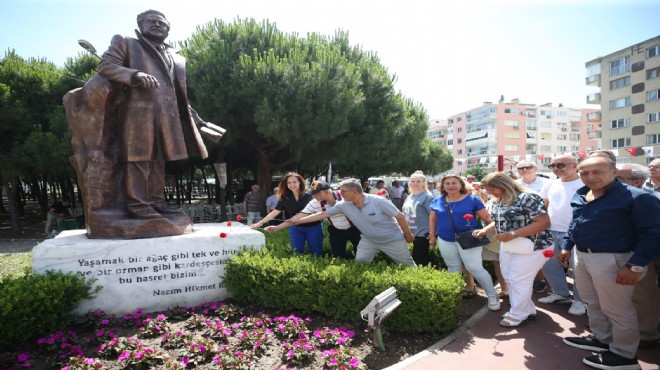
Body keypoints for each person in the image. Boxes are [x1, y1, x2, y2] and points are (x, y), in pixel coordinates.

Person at [97, 10, 224, 219]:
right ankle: (138, 204)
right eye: (151, 22)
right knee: (139, 160)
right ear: (141, 25)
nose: (157, 25)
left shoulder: (175, 56)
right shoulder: (127, 43)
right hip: (138, 114)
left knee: (158, 161)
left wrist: (197, 120)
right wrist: (134, 75)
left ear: (167, 28)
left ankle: (156, 201)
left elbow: (178, 95)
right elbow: (106, 66)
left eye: (161, 23)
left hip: (168, 117)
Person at [559, 156, 660, 370]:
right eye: (585, 172)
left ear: (614, 172)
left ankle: (624, 357)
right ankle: (603, 339)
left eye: (598, 171)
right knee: (592, 302)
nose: (590, 176)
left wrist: (635, 266)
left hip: (615, 258)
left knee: (618, 309)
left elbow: (653, 233)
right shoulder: (582, 194)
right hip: (583, 256)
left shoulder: (638, 198)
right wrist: (567, 246)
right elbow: (575, 222)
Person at [479, 172, 554, 327]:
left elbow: (544, 222)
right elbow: (500, 221)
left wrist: (513, 234)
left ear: (504, 185)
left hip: (534, 245)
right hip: (510, 244)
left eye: (492, 189)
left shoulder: (527, 197)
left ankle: (518, 313)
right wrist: (485, 230)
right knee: (509, 277)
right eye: (488, 190)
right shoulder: (498, 200)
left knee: (519, 279)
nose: (490, 193)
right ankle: (527, 309)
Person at [292, 178, 416, 266]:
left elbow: (400, 217)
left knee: (409, 267)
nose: (340, 193)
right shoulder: (343, 205)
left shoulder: (379, 201)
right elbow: (323, 214)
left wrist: (408, 235)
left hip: (392, 240)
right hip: (368, 241)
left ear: (354, 192)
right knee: (359, 267)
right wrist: (299, 221)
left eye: (343, 191)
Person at [429, 175, 500, 311]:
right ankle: (454, 296)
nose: (450, 186)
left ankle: (492, 295)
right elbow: (432, 219)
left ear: (461, 185)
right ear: (442, 187)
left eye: (454, 183)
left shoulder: (472, 200)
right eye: (447, 183)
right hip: (445, 239)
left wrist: (484, 230)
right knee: (453, 267)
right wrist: (432, 236)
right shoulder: (437, 201)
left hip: (469, 239)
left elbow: (488, 219)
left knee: (475, 268)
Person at [537, 154, 587, 316]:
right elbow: (543, 205)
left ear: (575, 165)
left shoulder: (585, 183)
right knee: (549, 264)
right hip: (550, 231)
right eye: (553, 165)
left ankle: (581, 301)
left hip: (575, 233)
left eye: (560, 165)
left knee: (578, 269)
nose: (556, 168)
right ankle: (561, 294)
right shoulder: (551, 184)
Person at [616, 163, 660, 348]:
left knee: (646, 293)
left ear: (637, 181)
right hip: (644, 251)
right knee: (643, 293)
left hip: (648, 251)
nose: (615, 183)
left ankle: (646, 333)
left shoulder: (644, 197)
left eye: (620, 179)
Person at [266, 181, 361, 259]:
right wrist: (277, 227)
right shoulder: (315, 203)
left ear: (327, 191)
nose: (314, 196)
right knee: (338, 257)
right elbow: (299, 216)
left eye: (317, 194)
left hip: (355, 228)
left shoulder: (345, 196)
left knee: (361, 255)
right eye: (313, 194)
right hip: (336, 231)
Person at [251, 172, 323, 256]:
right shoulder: (285, 197)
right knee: (296, 253)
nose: (292, 184)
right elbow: (274, 212)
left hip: (313, 227)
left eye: (294, 182)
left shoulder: (310, 195)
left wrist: (278, 227)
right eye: (289, 182)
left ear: (300, 182)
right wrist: (260, 223)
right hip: (295, 228)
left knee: (316, 253)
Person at [515, 159, 550, 293]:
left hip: (542, 222)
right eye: (521, 168)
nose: (524, 170)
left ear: (535, 169)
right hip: (521, 223)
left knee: (540, 252)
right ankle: (535, 278)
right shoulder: (514, 184)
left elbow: (548, 202)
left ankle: (544, 278)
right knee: (526, 252)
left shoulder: (547, 183)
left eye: (528, 167)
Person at [402, 171, 434, 266]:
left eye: (418, 181)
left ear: (424, 183)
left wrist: (433, 233)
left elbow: (433, 216)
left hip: (423, 234)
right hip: (410, 232)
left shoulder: (428, 196)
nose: (415, 183)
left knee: (420, 260)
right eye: (413, 181)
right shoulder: (409, 197)